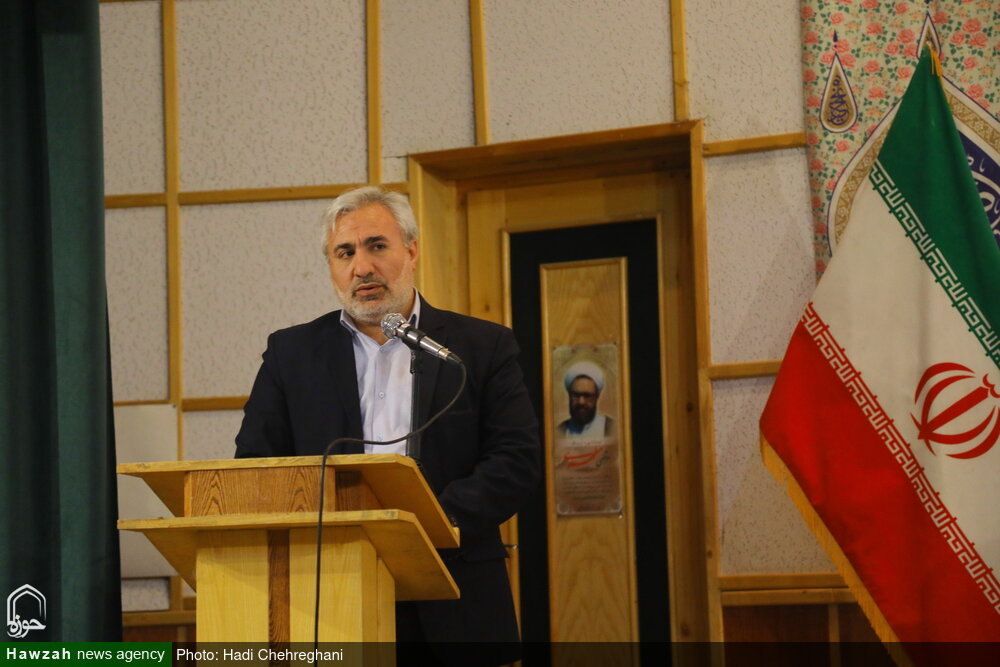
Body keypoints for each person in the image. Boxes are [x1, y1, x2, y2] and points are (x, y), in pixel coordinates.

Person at [234, 186, 540, 665]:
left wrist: (428, 522)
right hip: (329, 594)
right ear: (332, 266)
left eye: (377, 246)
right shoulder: (291, 354)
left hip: (455, 592)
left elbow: (515, 460)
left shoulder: (479, 347)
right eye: (345, 252)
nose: (362, 267)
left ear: (411, 251)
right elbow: (256, 464)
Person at [556, 361, 615, 438]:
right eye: (576, 395)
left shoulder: (612, 428)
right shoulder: (558, 431)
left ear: (597, 396)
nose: (581, 402)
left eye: (587, 396)